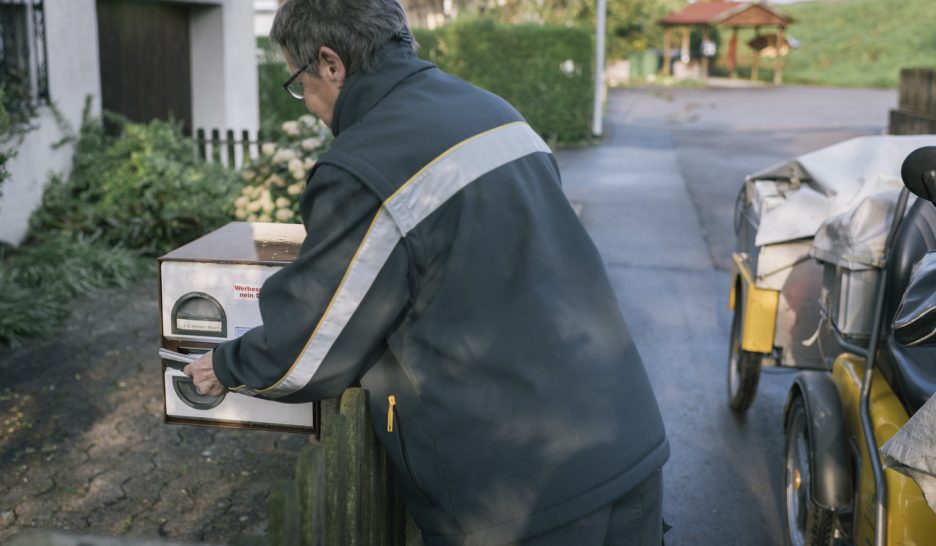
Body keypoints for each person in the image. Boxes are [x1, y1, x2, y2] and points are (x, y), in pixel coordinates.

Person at [184, 0, 669, 544]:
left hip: (524, 499)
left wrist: (226, 364)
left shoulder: (366, 164)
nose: (306, 106)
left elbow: (309, 346)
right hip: (628, 450)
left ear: (330, 63)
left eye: (299, 82)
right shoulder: (496, 113)